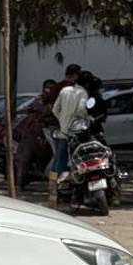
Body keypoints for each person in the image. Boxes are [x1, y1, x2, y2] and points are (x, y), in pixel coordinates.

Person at [48, 72, 89, 205]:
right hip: (76, 132)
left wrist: (62, 120)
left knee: (59, 160)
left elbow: (55, 109)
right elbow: (81, 110)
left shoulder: (64, 90)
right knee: (77, 160)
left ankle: (53, 191)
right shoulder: (82, 93)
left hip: (63, 130)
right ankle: (72, 191)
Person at [13, 79, 56, 188]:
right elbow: (31, 110)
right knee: (24, 156)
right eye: (47, 87)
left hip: (51, 134)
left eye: (51, 88)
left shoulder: (56, 101)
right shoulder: (39, 100)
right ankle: (20, 183)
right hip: (34, 134)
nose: (48, 90)